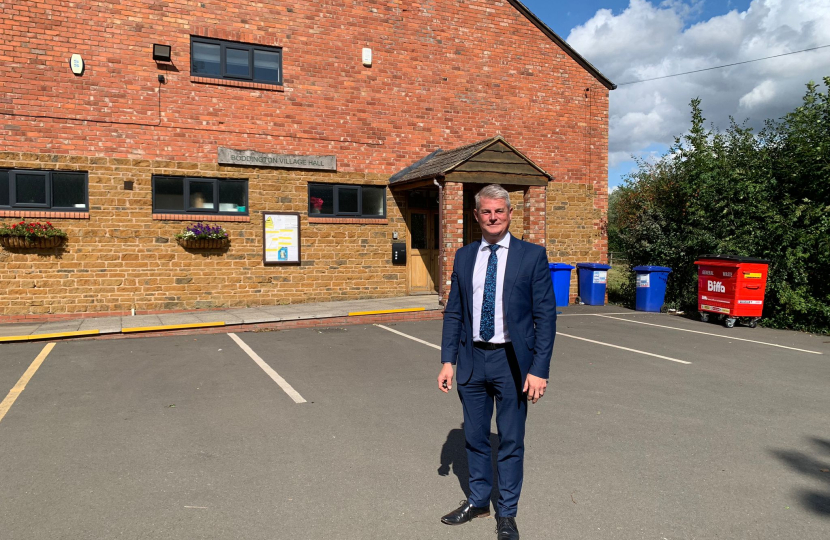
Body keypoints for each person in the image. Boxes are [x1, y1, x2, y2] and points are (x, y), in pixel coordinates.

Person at [437, 184, 557, 540]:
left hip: (512, 363)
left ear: (509, 214)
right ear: (476, 216)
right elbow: (454, 312)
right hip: (472, 360)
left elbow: (545, 317)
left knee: (510, 440)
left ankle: (506, 513)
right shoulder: (464, 256)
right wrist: (448, 360)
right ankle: (477, 501)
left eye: (499, 211)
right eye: (486, 212)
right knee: (474, 437)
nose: (493, 217)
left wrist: (539, 369)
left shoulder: (531, 256)